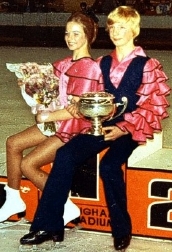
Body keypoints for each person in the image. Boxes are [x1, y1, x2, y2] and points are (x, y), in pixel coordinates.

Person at [20, 6, 170, 251]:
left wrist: (123, 129)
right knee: (65, 155)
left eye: (122, 27)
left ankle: (122, 229)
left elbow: (153, 106)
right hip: (100, 124)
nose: (116, 32)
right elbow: (92, 94)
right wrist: (77, 101)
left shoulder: (147, 64)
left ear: (134, 30)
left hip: (130, 129)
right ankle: (49, 225)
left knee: (110, 166)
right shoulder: (103, 63)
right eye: (112, 27)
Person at [0, 11, 103, 224]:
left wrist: (45, 116)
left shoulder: (88, 67)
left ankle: (65, 205)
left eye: (76, 34)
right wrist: (28, 83)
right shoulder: (66, 62)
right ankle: (13, 199)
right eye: (67, 33)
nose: (70, 38)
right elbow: (47, 84)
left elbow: (76, 110)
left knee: (28, 165)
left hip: (72, 129)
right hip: (56, 124)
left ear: (88, 35)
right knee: (13, 144)